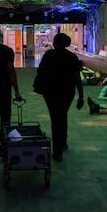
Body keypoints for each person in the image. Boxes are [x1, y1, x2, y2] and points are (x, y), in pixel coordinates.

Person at [35, 32, 84, 162]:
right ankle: (63, 143)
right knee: (63, 115)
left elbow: (40, 71)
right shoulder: (72, 57)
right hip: (67, 92)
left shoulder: (49, 55)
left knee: (55, 118)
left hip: (50, 91)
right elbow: (77, 78)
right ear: (67, 43)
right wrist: (81, 96)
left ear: (55, 43)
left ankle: (57, 152)